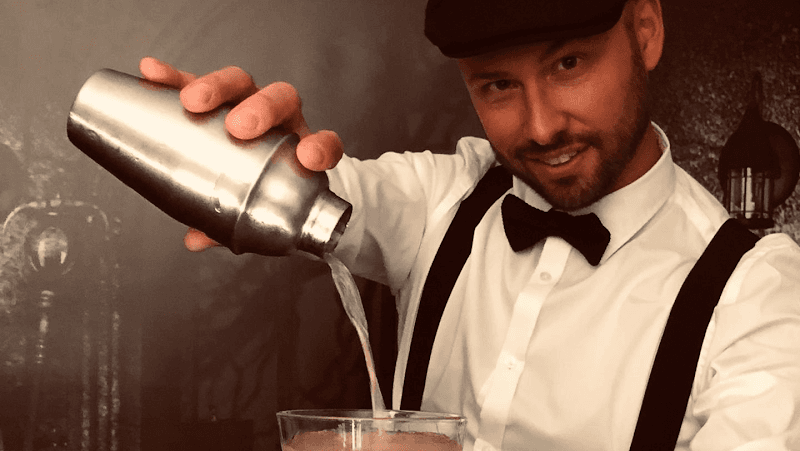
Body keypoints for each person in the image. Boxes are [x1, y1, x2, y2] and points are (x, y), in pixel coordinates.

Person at [138, 0, 800, 449]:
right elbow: (308, 196)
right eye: (497, 85)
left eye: (569, 64)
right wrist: (237, 151)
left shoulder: (759, 297)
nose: (541, 126)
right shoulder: (442, 198)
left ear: (646, 30)